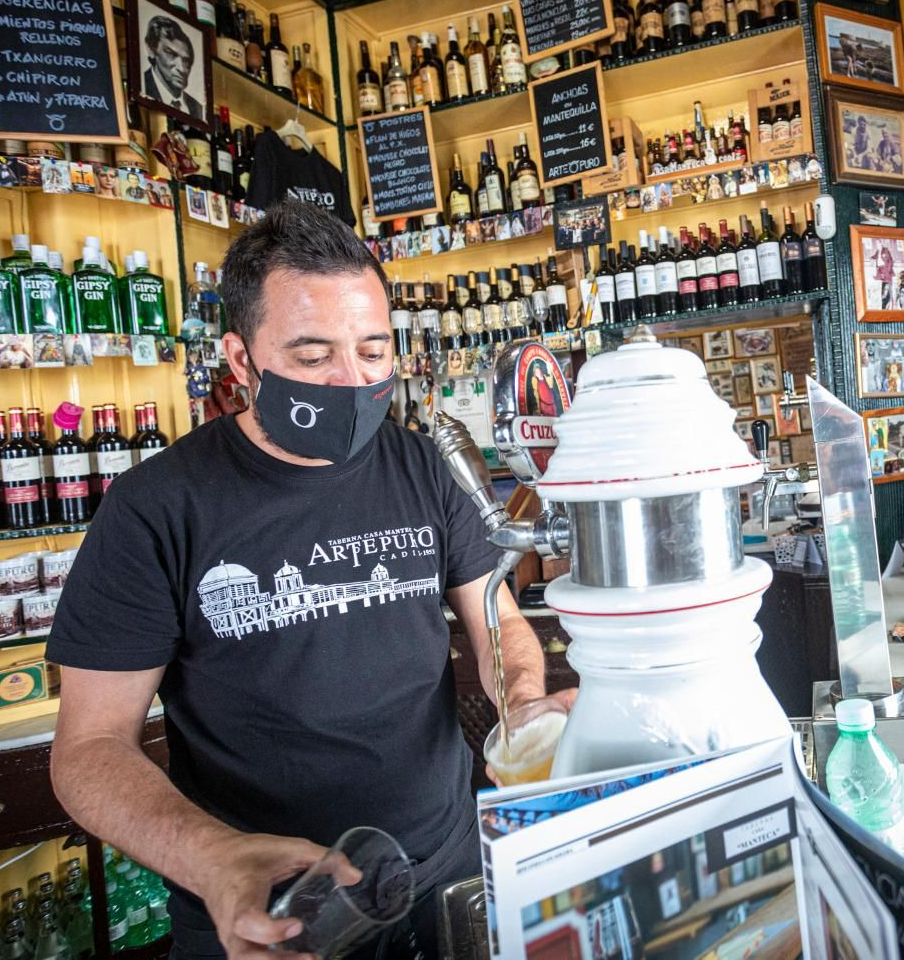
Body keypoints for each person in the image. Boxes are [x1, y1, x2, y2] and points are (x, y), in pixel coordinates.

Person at [47, 201, 569, 959]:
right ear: (240, 361)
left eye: (373, 349)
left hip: (449, 872)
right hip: (270, 912)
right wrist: (210, 858)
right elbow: (88, 749)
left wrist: (523, 703)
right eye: (313, 355)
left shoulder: (422, 467)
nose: (353, 382)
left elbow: (496, 617)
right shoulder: (156, 508)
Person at [142, 14, 202, 119]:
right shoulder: (142, 87)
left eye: (186, 61)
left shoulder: (198, 109)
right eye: (171, 54)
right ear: (151, 49)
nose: (182, 68)